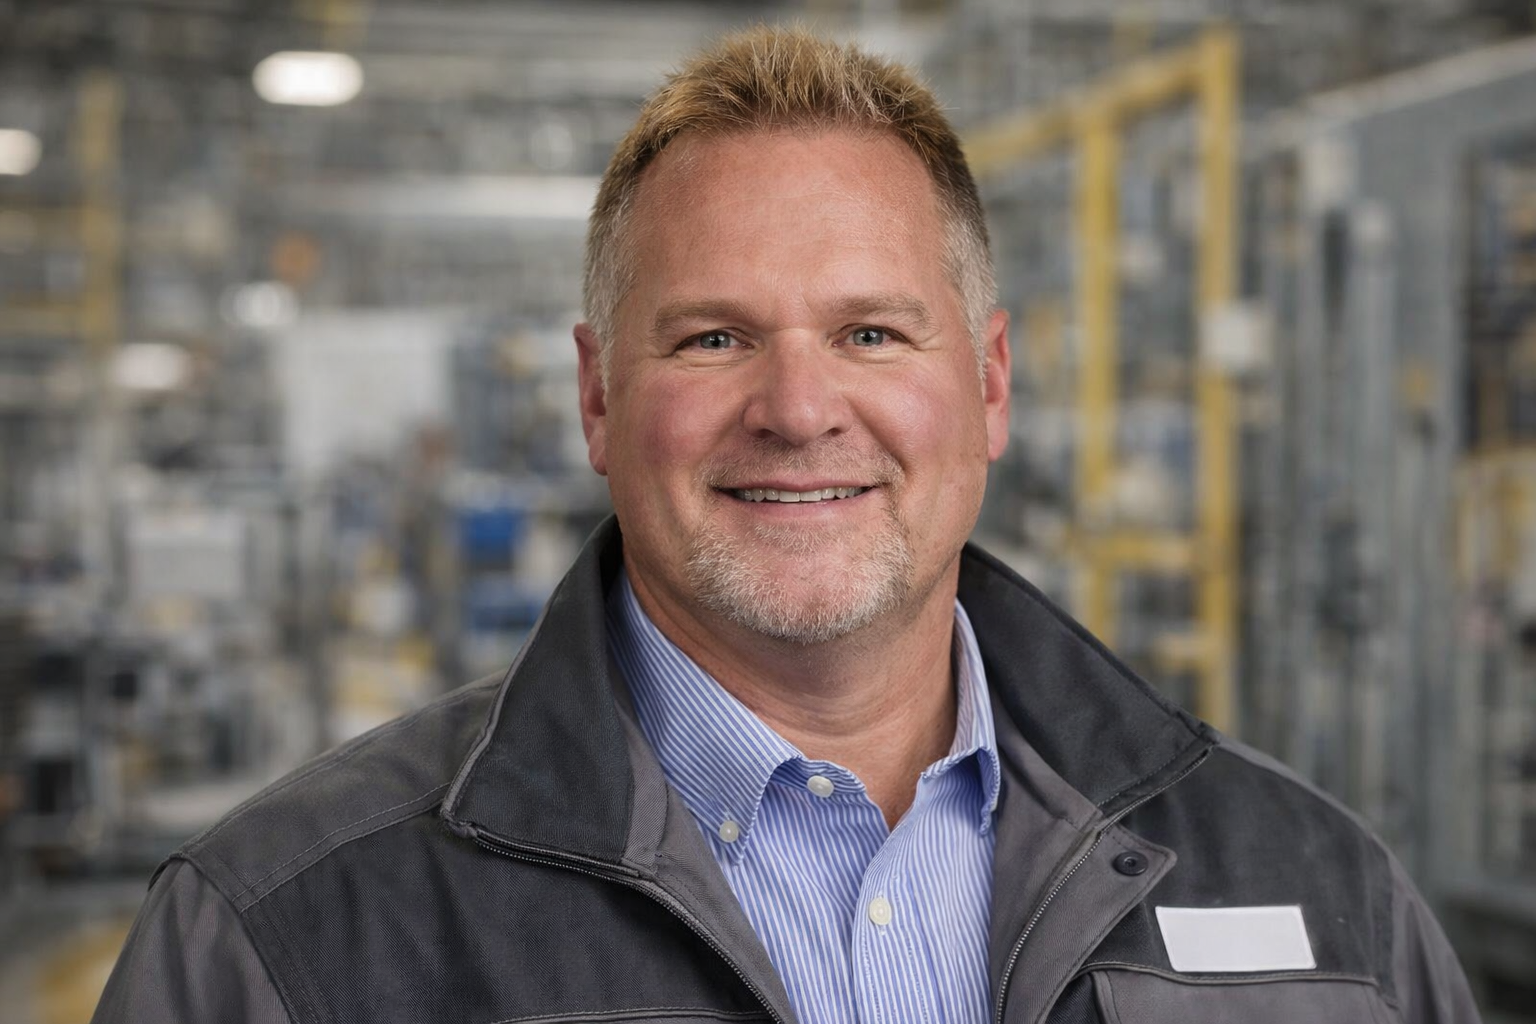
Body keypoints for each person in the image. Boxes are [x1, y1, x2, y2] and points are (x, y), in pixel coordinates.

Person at [94, 26, 1479, 1024]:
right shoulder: (287, 942)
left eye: (873, 332)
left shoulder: (1326, 909)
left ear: (988, 385)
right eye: (712, 339)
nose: (800, 407)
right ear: (595, 394)